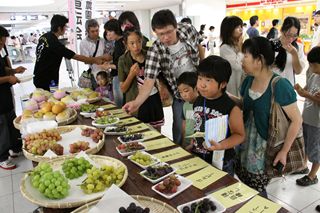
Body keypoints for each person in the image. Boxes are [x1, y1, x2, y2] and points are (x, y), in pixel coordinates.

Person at [123, 9, 204, 146]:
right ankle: (182, 157)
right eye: (161, 34)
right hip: (180, 95)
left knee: (203, 125)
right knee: (181, 129)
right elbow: (148, 82)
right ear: (155, 32)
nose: (166, 37)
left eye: (169, 32)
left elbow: (199, 46)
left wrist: (204, 70)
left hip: (201, 89)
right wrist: (136, 103)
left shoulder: (188, 30)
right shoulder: (155, 51)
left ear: (176, 26)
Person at [235, 36, 302, 197]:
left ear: (259, 60)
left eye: (245, 56)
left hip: (264, 151)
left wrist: (284, 151)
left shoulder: (280, 85)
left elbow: (297, 120)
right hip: (244, 144)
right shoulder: (248, 80)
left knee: (257, 190)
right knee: (243, 183)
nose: (241, 61)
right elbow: (245, 105)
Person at [190, 55, 245, 176]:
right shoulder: (199, 100)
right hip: (199, 155)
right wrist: (192, 144)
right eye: (200, 78)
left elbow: (240, 135)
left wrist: (221, 145)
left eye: (208, 80)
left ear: (223, 84)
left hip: (222, 160)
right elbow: (198, 125)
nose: (202, 85)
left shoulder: (230, 107)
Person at [33, 14, 104, 91]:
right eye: (65, 27)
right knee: (47, 99)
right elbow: (75, 56)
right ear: (59, 28)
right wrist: (95, 60)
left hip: (38, 75)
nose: (65, 29)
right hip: (47, 79)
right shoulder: (54, 43)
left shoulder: (44, 37)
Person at [118, 27, 164, 130]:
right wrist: (131, 75)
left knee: (156, 130)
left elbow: (160, 75)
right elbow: (123, 89)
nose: (136, 46)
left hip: (153, 98)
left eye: (139, 41)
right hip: (135, 100)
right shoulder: (123, 60)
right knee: (139, 131)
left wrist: (163, 88)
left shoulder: (150, 55)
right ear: (126, 44)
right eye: (132, 43)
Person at [0, 26, 26, 170]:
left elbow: (2, 68)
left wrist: (14, 71)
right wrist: (8, 79)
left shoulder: (0, 52)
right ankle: (2, 157)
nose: (2, 46)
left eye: (3, 42)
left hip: (5, 96)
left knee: (11, 121)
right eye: (0, 43)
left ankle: (15, 148)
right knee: (2, 126)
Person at [294, 47, 320, 186]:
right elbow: (307, 90)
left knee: (316, 149)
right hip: (308, 117)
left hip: (317, 122)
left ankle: (312, 175)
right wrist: (300, 90)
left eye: (313, 64)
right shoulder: (314, 75)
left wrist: (307, 95)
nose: (311, 66)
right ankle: (303, 166)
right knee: (306, 144)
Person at [271, 16, 306, 86]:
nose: (291, 39)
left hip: (288, 87)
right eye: (288, 35)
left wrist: (294, 54)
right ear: (282, 30)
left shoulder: (298, 47)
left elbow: (298, 71)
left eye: (295, 36)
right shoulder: (271, 44)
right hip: (271, 86)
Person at [80, 19, 112, 89]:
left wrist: (93, 59)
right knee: (97, 94)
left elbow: (109, 57)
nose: (95, 33)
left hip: (106, 74)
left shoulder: (103, 41)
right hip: (94, 75)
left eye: (97, 30)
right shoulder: (83, 43)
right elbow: (86, 60)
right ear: (87, 31)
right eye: (92, 31)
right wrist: (102, 57)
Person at [102, 19, 126, 107]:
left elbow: (121, 65)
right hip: (120, 76)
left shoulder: (120, 43)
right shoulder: (119, 42)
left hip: (119, 77)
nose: (108, 34)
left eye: (110, 31)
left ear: (116, 30)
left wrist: (108, 66)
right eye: (107, 31)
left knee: (120, 104)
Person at [220, 16, 244, 97]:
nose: (241, 30)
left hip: (242, 84)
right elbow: (238, 66)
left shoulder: (239, 45)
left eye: (241, 26)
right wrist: (241, 49)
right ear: (229, 30)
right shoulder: (225, 48)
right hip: (233, 87)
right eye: (237, 27)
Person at [177, 72, 198, 148]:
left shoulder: (202, 105)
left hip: (197, 142)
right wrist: (183, 141)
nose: (183, 95)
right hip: (186, 140)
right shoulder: (185, 105)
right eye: (180, 92)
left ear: (196, 88)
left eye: (186, 91)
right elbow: (184, 124)